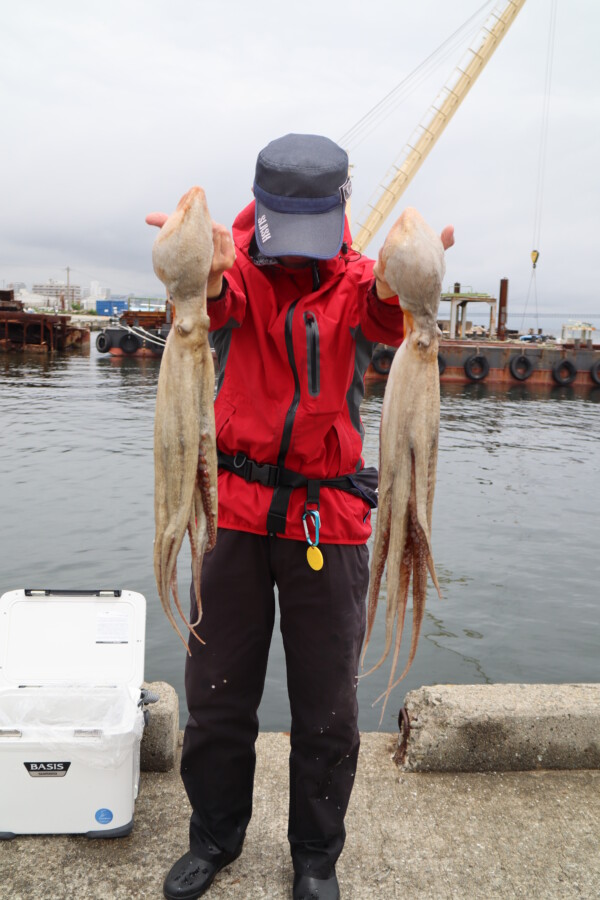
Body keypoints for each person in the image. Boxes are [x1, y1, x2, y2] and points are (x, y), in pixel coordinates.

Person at [147, 133, 454, 900]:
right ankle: (214, 838)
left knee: (327, 709)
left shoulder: (353, 280)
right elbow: (217, 303)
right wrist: (203, 269)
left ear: (339, 214)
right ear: (266, 214)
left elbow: (384, 313)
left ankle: (316, 856)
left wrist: (405, 281)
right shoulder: (240, 272)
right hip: (237, 515)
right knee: (216, 696)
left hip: (330, 520)